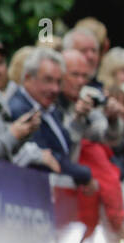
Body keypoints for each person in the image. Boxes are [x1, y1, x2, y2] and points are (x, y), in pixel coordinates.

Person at [6, 48, 94, 186]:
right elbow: (49, 158)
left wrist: (77, 121)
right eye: (48, 80)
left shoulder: (50, 109)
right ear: (28, 78)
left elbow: (66, 149)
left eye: (58, 82)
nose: (55, 89)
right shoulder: (20, 110)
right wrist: (86, 174)